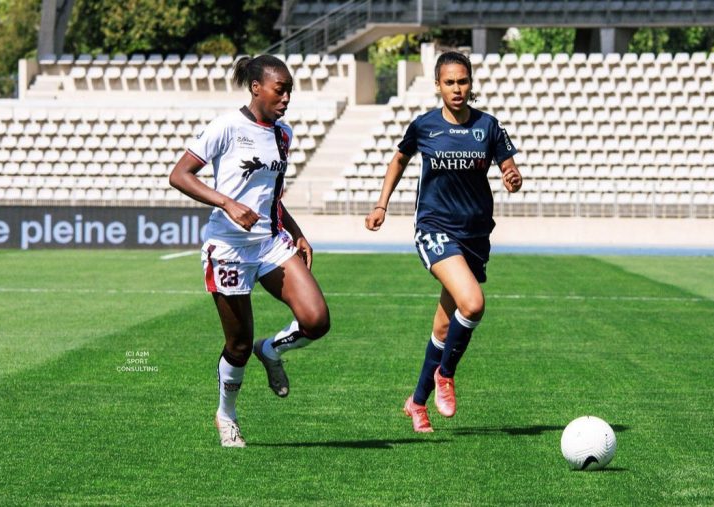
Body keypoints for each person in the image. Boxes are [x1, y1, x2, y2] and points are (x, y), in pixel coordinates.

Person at [169, 55, 330, 447]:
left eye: (290, 89)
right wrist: (226, 203)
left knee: (316, 320)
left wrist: (298, 233)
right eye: (281, 88)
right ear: (257, 87)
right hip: (228, 249)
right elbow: (179, 175)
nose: (287, 96)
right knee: (237, 345)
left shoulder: (283, 134)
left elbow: (271, 195)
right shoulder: (226, 127)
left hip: (271, 243)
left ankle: (272, 350)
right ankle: (226, 415)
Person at [365, 51, 522, 433]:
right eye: (449, 82)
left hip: (475, 234)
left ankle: (416, 403)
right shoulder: (425, 126)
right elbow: (399, 160)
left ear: (471, 84)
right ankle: (445, 375)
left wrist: (512, 176)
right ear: (438, 85)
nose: (457, 88)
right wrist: (381, 204)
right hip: (434, 228)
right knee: (473, 303)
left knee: (442, 327)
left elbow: (508, 165)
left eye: (463, 81)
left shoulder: (489, 127)